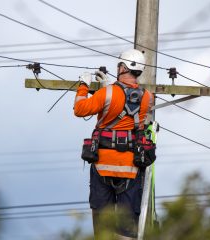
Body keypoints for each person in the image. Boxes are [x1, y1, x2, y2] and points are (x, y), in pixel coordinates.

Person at [74, 49, 155, 239]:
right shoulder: (147, 97)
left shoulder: (106, 93)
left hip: (102, 166)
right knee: (127, 227)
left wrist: (83, 85)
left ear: (123, 67)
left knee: (103, 224)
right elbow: (127, 104)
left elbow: (79, 109)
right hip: (131, 168)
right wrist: (108, 87)